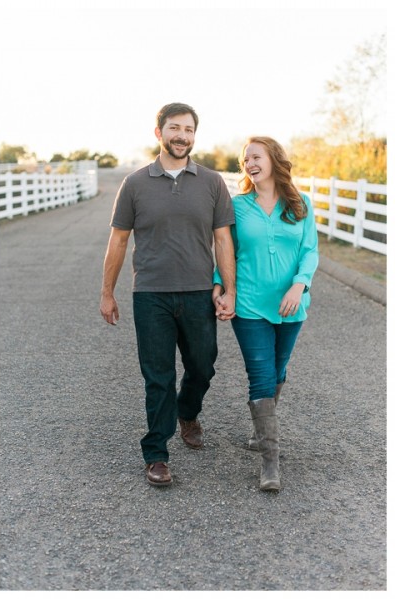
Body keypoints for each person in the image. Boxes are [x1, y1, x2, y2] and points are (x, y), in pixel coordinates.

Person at [99, 102, 236, 487]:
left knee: (203, 365)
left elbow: (223, 240)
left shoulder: (211, 183)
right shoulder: (135, 184)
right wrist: (107, 292)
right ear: (158, 132)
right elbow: (118, 240)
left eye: (189, 129)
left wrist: (230, 290)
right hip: (151, 295)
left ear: (195, 135)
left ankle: (188, 413)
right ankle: (156, 452)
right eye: (175, 128)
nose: (182, 136)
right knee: (157, 376)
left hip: (197, 294)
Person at [213, 136, 318, 491]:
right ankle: (270, 462)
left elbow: (310, 251)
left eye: (255, 156)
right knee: (260, 375)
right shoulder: (238, 205)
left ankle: (261, 432)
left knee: (278, 371)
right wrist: (220, 284)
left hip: (291, 305)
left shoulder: (300, 204)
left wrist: (299, 284)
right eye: (245, 160)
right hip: (250, 305)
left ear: (273, 159)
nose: (249, 163)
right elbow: (227, 247)